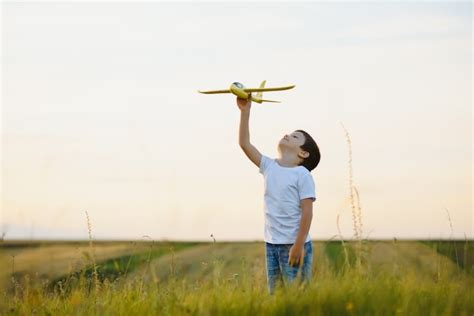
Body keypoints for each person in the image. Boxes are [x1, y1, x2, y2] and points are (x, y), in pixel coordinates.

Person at [236, 96, 321, 294]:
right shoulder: (269, 166)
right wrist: (245, 112)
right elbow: (244, 143)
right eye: (290, 133)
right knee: (276, 296)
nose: (288, 135)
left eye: (295, 137)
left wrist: (299, 245)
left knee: (298, 296)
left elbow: (307, 212)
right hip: (272, 245)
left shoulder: (302, 174)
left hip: (295, 244)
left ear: (303, 154)